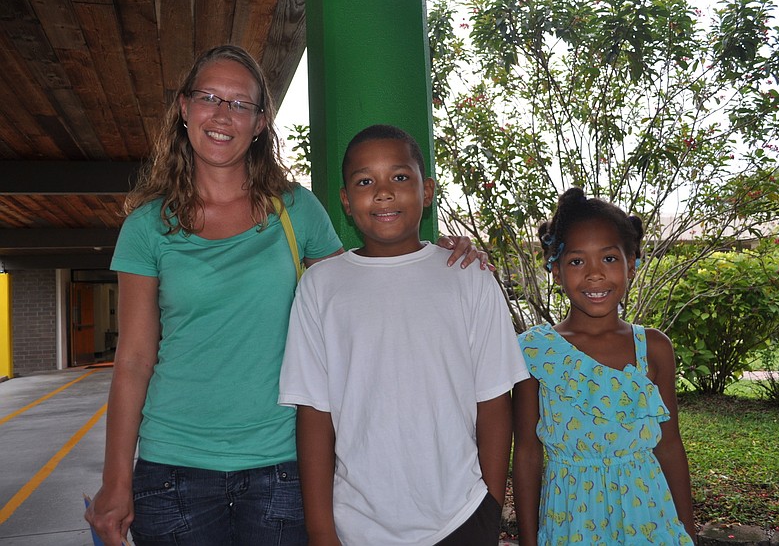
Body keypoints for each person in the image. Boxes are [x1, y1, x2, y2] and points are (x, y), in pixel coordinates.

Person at [84, 46, 487, 546]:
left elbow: (362, 287)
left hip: (281, 468)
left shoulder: (296, 209)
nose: (223, 114)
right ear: (184, 109)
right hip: (172, 469)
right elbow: (134, 360)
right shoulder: (147, 226)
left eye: (240, 104)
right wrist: (115, 482)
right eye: (210, 97)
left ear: (259, 123)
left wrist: (437, 254)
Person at [278, 124, 530, 546]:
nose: (383, 192)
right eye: (364, 181)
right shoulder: (320, 286)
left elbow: (493, 400)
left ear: (426, 191)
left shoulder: (468, 277)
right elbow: (314, 414)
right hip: (354, 524)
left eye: (399, 177)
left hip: (460, 516)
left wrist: (486, 504)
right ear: (345, 200)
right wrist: (321, 529)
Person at [512, 187, 697, 545]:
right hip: (571, 524)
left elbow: (670, 446)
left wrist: (687, 533)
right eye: (577, 261)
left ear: (632, 262)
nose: (595, 274)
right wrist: (528, 541)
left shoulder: (653, 348)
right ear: (555, 270)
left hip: (649, 522)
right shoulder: (534, 351)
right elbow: (528, 453)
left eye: (610, 259)